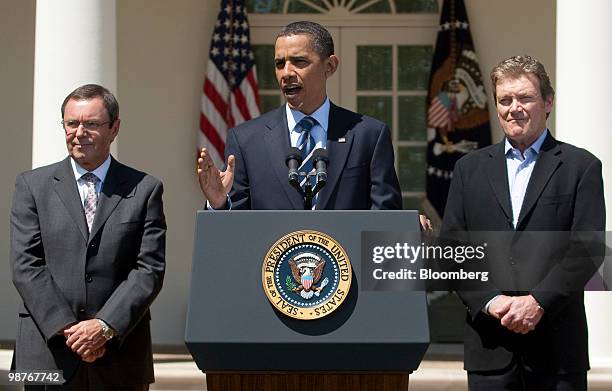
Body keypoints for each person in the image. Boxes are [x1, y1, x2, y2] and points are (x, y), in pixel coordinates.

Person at [442, 55, 605, 390]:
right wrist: (490, 300)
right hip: (489, 345)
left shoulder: (581, 166)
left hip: (557, 348)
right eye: (505, 100)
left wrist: (538, 302)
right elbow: (452, 250)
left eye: (525, 98)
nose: (514, 108)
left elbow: (587, 249)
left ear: (548, 103)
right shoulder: (468, 169)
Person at [10, 84, 166, 390]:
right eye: (72, 123)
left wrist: (104, 326)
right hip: (48, 353)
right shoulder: (31, 185)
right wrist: (71, 330)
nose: (79, 132)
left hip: (120, 354)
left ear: (114, 128)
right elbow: (26, 265)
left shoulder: (145, 188)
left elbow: (149, 269)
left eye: (91, 124)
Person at [197, 21, 402, 211]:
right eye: (279, 64)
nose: (286, 73)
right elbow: (234, 232)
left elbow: (385, 221)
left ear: (329, 66)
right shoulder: (246, 140)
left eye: (299, 61)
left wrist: (409, 226)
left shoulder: (369, 135)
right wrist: (219, 204)